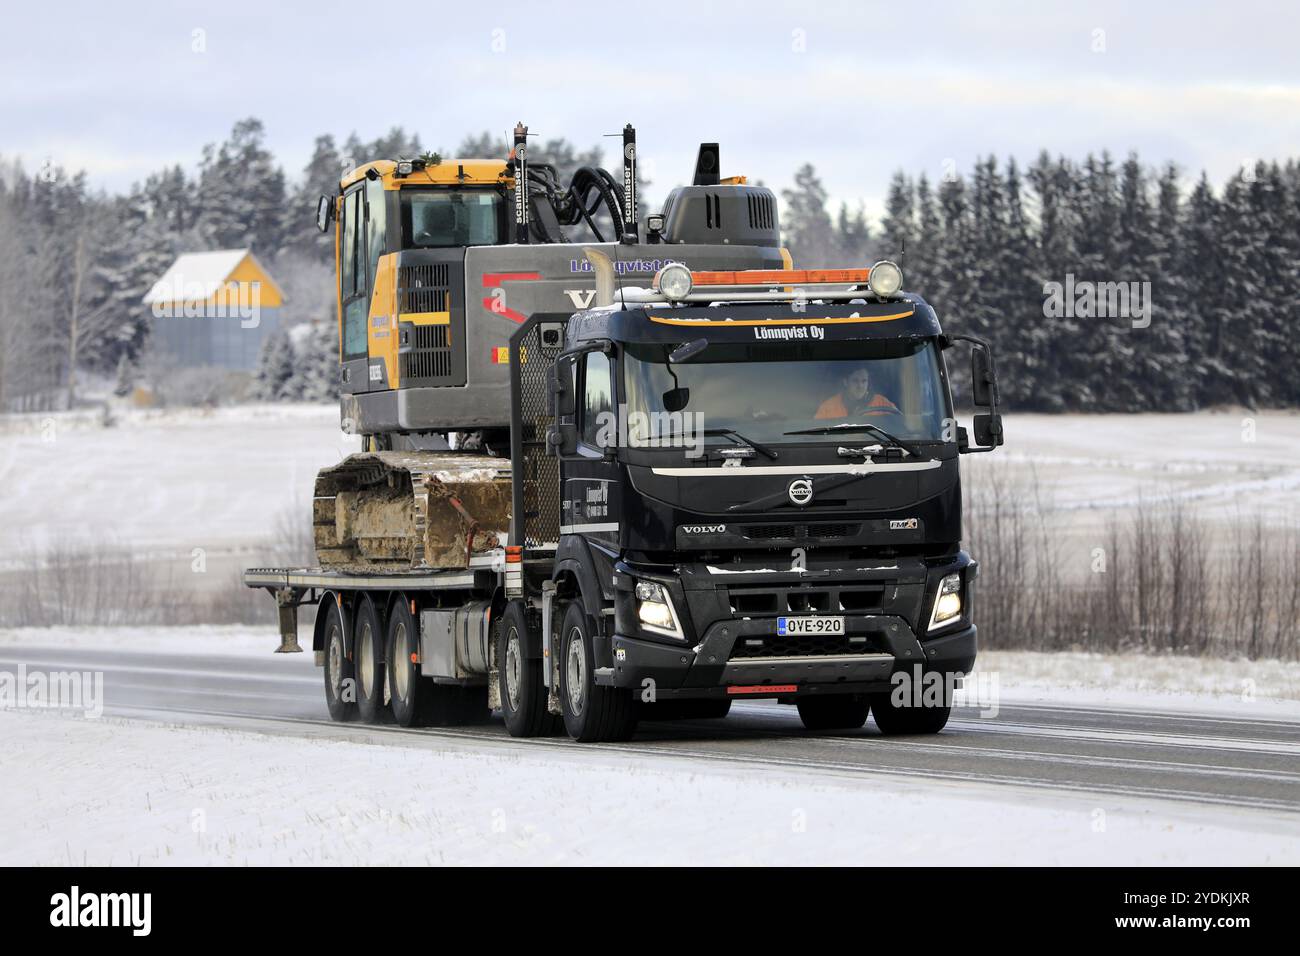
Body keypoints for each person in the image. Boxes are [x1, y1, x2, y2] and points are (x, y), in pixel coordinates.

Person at [814, 367, 899, 419]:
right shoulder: (828, 407)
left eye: (864, 381)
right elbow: (818, 432)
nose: (860, 386)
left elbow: (898, 424)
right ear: (845, 382)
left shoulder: (882, 403)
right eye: (855, 381)